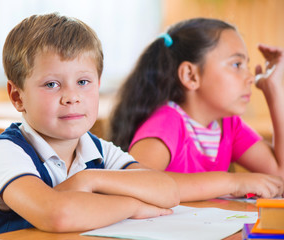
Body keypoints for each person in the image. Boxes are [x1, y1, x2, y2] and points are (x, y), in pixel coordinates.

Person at [0, 13, 179, 240]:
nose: (71, 97)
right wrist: (133, 207)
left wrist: (90, 179)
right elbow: (57, 215)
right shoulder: (2, 153)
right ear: (18, 96)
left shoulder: (98, 151)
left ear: (97, 85)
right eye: (52, 84)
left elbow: (168, 191)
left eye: (83, 82)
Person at [109, 18, 284, 202]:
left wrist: (275, 91)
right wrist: (232, 183)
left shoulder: (229, 126)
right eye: (236, 65)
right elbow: (136, 182)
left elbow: (280, 176)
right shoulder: (166, 122)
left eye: (247, 66)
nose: (250, 77)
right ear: (190, 75)